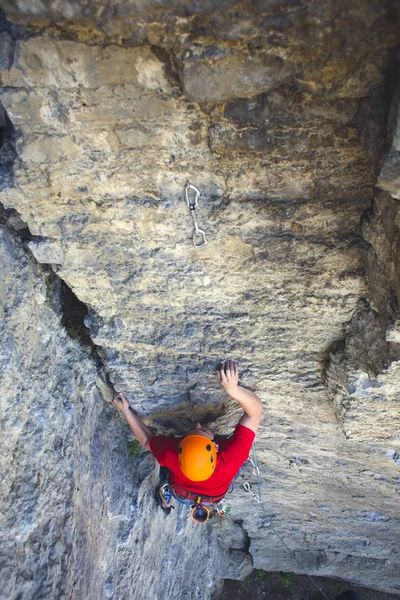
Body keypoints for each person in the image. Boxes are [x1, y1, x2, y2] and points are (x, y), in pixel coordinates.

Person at [113, 360, 263, 522]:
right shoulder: (232, 458)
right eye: (201, 430)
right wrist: (233, 390)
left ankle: (165, 499)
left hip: (186, 494)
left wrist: (126, 411)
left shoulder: (171, 455)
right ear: (216, 447)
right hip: (189, 494)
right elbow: (254, 413)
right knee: (239, 464)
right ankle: (166, 498)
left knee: (166, 473)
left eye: (197, 431)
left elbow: (147, 440)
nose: (198, 424)